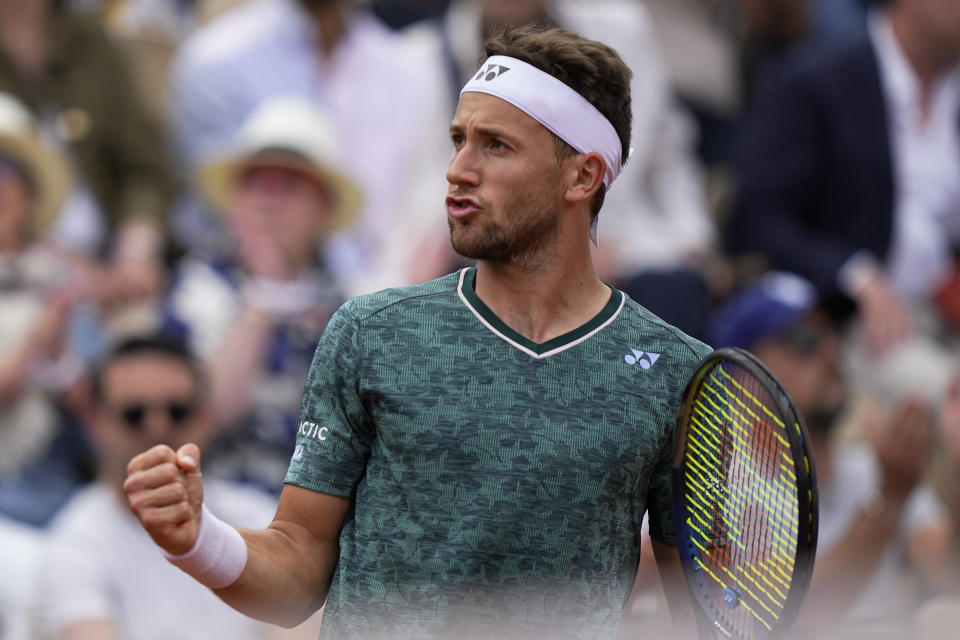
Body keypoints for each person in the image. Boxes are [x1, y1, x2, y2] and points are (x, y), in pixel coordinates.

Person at [124, 25, 710, 639]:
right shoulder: (370, 332)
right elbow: (297, 567)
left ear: (582, 178)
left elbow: (691, 611)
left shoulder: (676, 374)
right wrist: (199, 540)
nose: (458, 170)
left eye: (495, 146)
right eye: (459, 140)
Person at [404, 0, 722, 337]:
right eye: (459, 141)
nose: (460, 168)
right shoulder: (423, 56)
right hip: (491, 258)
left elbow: (669, 157)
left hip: (639, 261)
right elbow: (424, 193)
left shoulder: (623, 26)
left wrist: (691, 244)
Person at [708, 271, 954, 638]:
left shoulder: (873, 465)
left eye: (830, 334)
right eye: (805, 340)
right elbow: (781, 618)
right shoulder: (716, 487)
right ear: (743, 374)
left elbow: (945, 570)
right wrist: (889, 501)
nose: (830, 352)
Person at [728, 0, 960, 361]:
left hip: (943, 317)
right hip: (849, 326)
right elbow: (755, 216)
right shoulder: (816, 80)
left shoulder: (951, 96)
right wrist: (854, 273)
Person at [170, 0, 449, 296]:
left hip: (389, 303)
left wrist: (388, 301)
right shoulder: (214, 60)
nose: (271, 196)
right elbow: (224, 214)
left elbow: (420, 211)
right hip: (236, 296)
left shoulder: (411, 70)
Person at [38, 335, 295, 640]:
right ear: (96, 422)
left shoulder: (260, 517)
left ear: (205, 416)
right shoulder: (75, 542)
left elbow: (299, 627)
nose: (158, 427)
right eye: (134, 414)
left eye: (177, 411)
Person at [163, 98, 356, 493]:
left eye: (288, 187)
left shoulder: (349, 303)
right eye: (255, 184)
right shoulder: (198, 283)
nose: (268, 200)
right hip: (211, 496)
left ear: (323, 209)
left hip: (312, 513)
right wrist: (263, 298)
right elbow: (189, 430)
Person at [0, 0, 175, 299]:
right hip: (16, 266)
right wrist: (62, 267)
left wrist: (134, 253)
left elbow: (144, 169)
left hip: (109, 256)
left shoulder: (91, 40)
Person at [0, 91, 95, 527]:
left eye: (4, 170)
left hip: (54, 492)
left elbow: (103, 422)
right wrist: (37, 341)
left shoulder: (65, 284)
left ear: (32, 197)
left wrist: (63, 365)